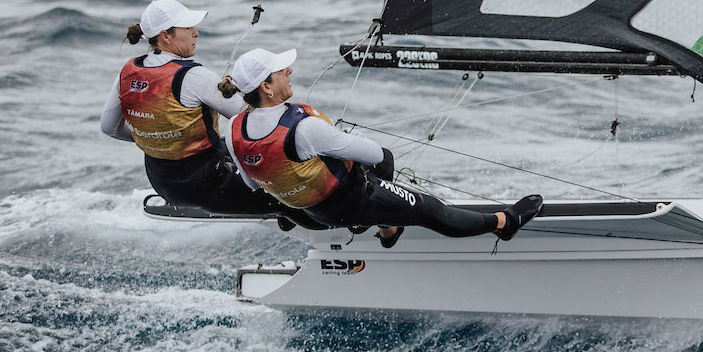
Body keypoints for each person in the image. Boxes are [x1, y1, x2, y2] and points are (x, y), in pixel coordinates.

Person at [219, 47, 543, 247]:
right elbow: (374, 154)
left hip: (313, 211)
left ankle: (387, 230)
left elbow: (252, 182)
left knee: (359, 182)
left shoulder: (235, 128)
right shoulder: (304, 128)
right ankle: (505, 223)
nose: (289, 71)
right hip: (352, 203)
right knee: (433, 211)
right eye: (281, 71)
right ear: (267, 87)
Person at [101, 0, 286, 217]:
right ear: (165, 36)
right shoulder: (194, 76)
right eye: (188, 28)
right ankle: (297, 218)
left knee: (225, 145)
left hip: (162, 184)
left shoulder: (128, 71)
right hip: (207, 185)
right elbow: (256, 120)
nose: (196, 33)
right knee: (286, 198)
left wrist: (156, 137)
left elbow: (108, 127)